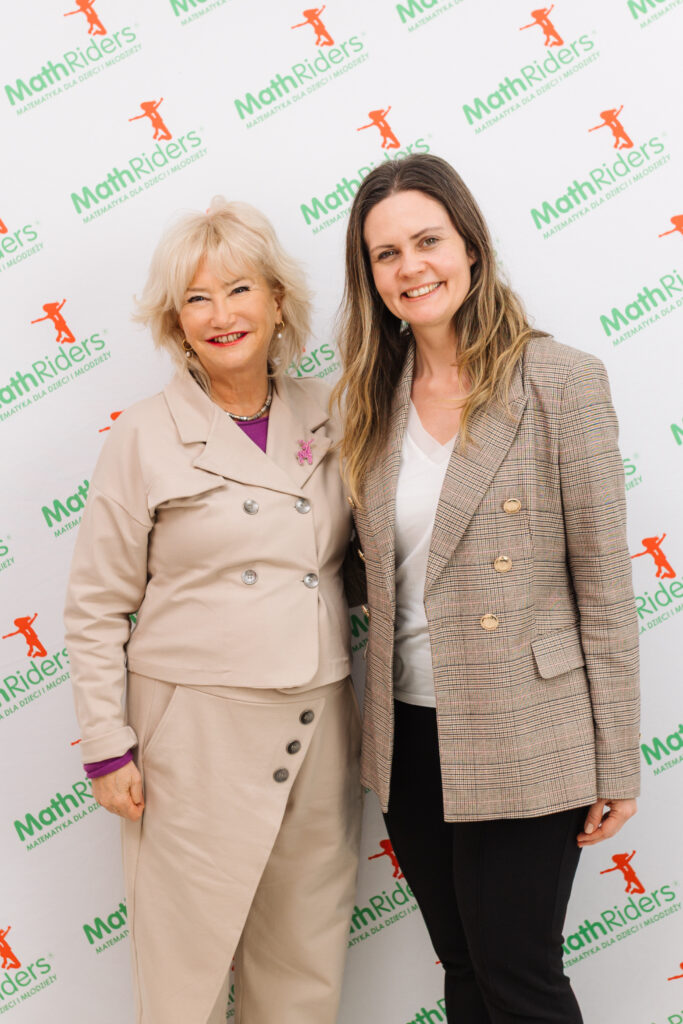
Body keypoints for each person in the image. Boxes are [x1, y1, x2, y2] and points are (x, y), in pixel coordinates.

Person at [334, 154, 640, 1023]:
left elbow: (603, 586)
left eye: (426, 241)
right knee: (464, 968)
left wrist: (617, 758)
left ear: (469, 245)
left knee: (517, 975)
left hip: (525, 724)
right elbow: (365, 568)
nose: (410, 267)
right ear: (370, 275)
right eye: (386, 254)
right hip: (407, 733)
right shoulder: (370, 398)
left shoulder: (560, 380)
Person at [64, 198, 362, 1024]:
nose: (220, 314)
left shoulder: (333, 411)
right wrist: (106, 745)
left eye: (238, 289)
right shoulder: (144, 434)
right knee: (183, 977)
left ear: (277, 302)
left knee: (303, 966)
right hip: (192, 734)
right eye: (196, 298)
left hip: (317, 721)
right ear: (175, 322)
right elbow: (96, 604)